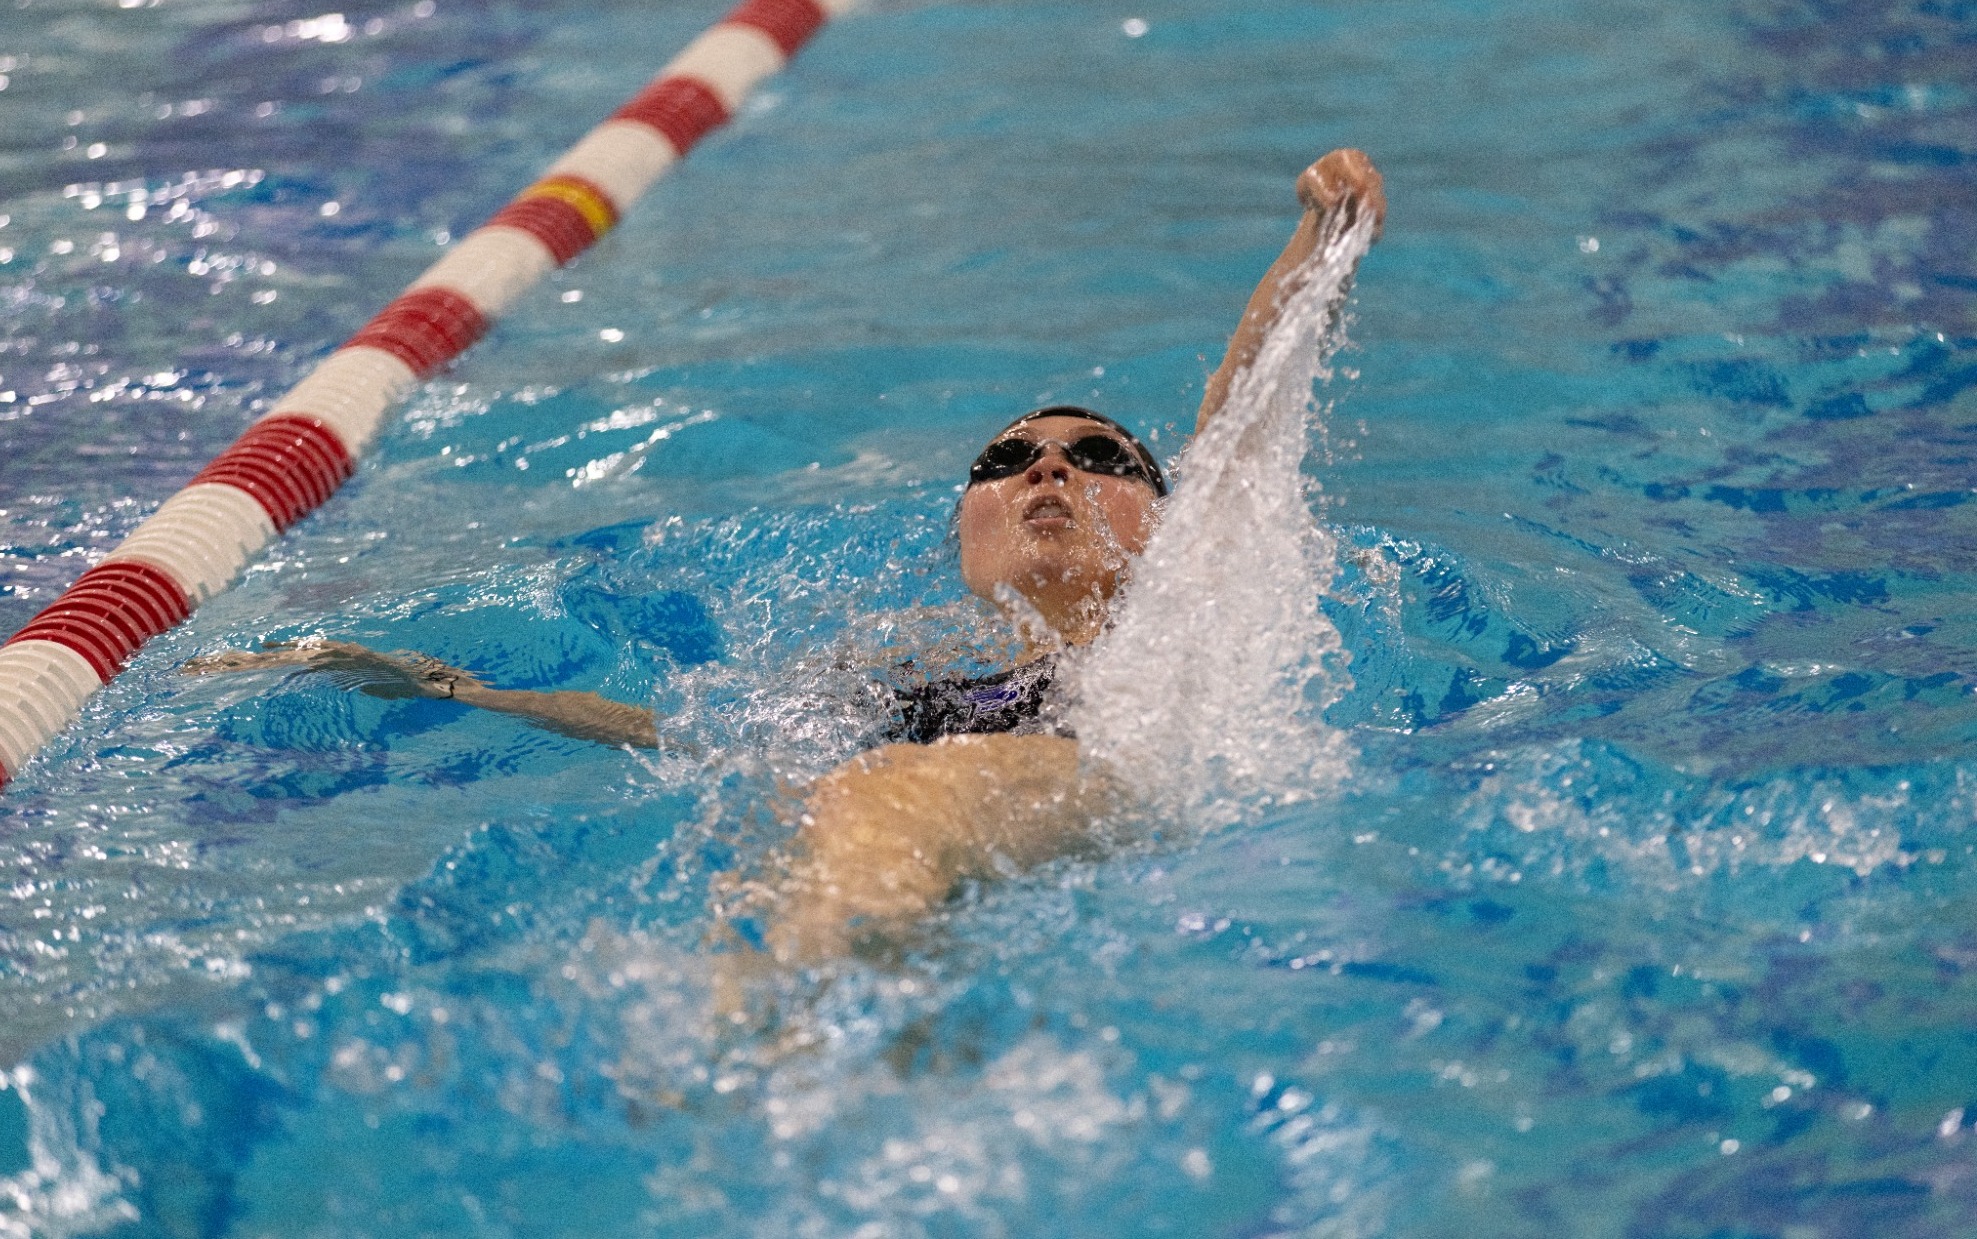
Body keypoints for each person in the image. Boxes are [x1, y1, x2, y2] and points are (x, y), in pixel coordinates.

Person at [184, 148, 1387, 964]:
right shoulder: (901, 677)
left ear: (1166, 522)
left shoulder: (1178, 622)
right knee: (762, 876)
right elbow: (706, 740)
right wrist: (447, 685)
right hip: (930, 847)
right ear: (961, 535)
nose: (1048, 470)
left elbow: (1247, 418)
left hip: (1115, 792)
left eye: (1099, 456)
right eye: (1009, 456)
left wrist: (1319, 241)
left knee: (875, 801)